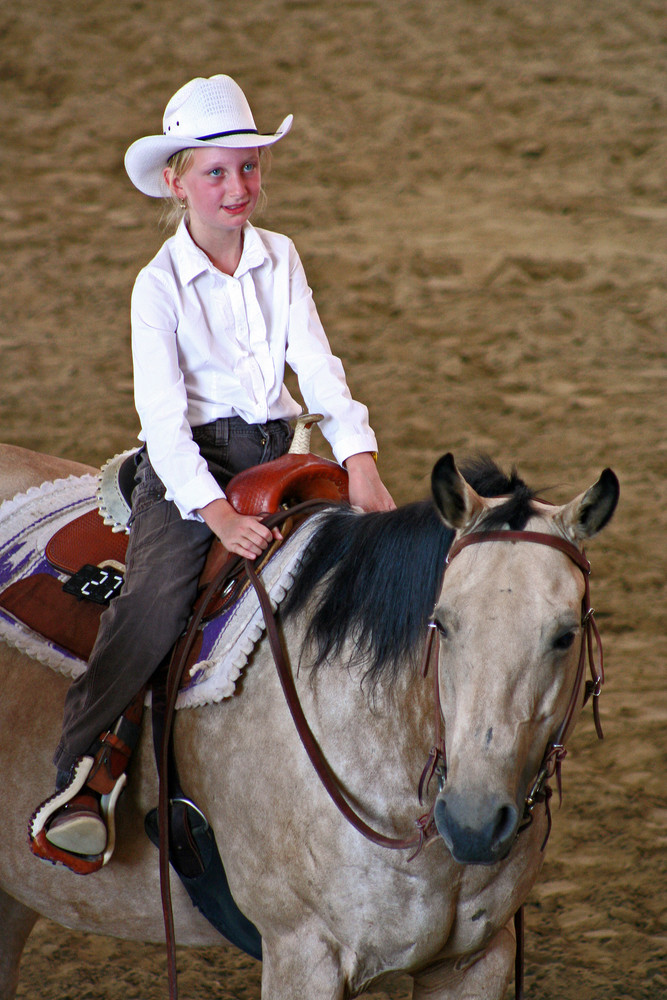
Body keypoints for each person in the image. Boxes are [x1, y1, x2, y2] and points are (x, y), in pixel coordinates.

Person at [29, 73, 395, 871]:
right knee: (158, 599)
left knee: (372, 565)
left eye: (249, 167)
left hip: (279, 450)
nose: (238, 187)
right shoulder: (157, 287)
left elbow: (318, 366)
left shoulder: (282, 257)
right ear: (176, 181)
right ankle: (85, 770)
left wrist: (357, 460)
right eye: (216, 172)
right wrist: (214, 513)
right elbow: (163, 422)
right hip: (188, 464)